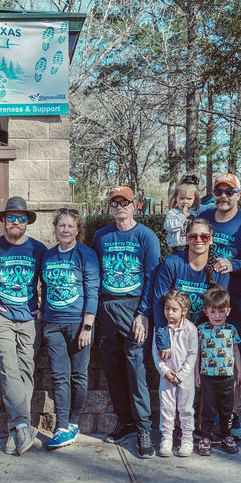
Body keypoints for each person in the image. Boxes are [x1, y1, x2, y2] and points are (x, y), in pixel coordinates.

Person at [93, 185, 161, 459]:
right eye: (115, 203)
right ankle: (126, 421)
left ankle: (144, 428)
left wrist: (143, 313)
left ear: (134, 206)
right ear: (110, 207)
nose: (120, 207)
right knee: (112, 370)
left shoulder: (146, 236)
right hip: (107, 307)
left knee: (136, 371)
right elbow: (95, 273)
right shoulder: (101, 236)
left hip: (134, 309)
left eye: (125, 202)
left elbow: (152, 277)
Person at [0, 196, 47, 456]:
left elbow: (49, 281)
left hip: (29, 317)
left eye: (20, 218)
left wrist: (44, 307)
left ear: (27, 222)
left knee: (26, 370)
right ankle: (20, 424)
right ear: (4, 221)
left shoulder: (39, 250)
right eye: (11, 217)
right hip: (2, 318)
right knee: (8, 368)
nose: (15, 222)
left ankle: (17, 429)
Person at [197, 172, 241, 441]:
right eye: (219, 192)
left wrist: (235, 265)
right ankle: (204, 418)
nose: (223, 196)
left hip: (232, 302)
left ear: (238, 195)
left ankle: (231, 416)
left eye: (229, 192)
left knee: (229, 359)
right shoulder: (204, 218)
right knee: (202, 358)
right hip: (203, 301)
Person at [40, 208, 99, 450]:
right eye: (61, 225)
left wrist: (87, 326)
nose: (65, 230)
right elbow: (45, 286)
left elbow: (92, 292)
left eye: (70, 226)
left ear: (77, 230)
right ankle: (61, 427)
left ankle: (73, 422)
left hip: (78, 323)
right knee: (59, 376)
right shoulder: (48, 255)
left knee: (78, 375)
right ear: (55, 228)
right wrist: (41, 311)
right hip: (52, 324)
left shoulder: (87, 255)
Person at [195, 287, 241, 456]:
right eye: (213, 311)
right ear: (206, 312)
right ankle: (205, 437)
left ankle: (226, 436)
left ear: (228, 311)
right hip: (207, 377)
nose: (217, 316)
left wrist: (239, 371)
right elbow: (197, 353)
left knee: (226, 409)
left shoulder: (231, 330)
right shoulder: (201, 330)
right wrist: (196, 373)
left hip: (227, 377)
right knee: (207, 409)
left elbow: (236, 351)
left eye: (221, 311)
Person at [155, 290, 198, 458]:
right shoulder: (160, 328)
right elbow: (155, 352)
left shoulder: (190, 329)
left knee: (186, 409)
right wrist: (165, 371)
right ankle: (166, 438)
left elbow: (192, 354)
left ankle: (187, 438)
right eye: (167, 308)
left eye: (174, 309)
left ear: (184, 311)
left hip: (184, 378)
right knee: (167, 408)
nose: (170, 313)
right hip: (167, 377)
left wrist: (181, 375)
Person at [163, 174, 201, 252]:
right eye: (182, 198)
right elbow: (169, 227)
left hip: (192, 245)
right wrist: (182, 216)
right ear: (176, 198)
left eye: (189, 199)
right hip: (178, 246)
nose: (185, 201)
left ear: (195, 199)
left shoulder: (194, 212)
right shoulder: (173, 212)